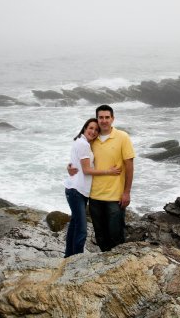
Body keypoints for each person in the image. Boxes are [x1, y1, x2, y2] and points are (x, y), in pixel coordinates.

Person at [68, 105, 135, 252]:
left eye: (107, 117)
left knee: (116, 236)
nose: (104, 121)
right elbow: (80, 157)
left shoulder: (122, 137)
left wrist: (127, 192)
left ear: (112, 119)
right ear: (97, 119)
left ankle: (119, 269)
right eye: (101, 117)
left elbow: (129, 165)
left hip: (114, 197)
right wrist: (69, 166)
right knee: (100, 237)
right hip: (94, 196)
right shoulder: (92, 140)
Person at [64, 118, 121, 257]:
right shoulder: (83, 144)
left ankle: (68, 257)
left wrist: (69, 167)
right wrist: (109, 171)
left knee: (74, 225)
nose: (93, 131)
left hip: (76, 190)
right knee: (82, 230)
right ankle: (76, 260)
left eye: (96, 130)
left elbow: (74, 164)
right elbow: (86, 170)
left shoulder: (81, 142)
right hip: (76, 191)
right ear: (84, 128)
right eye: (91, 128)